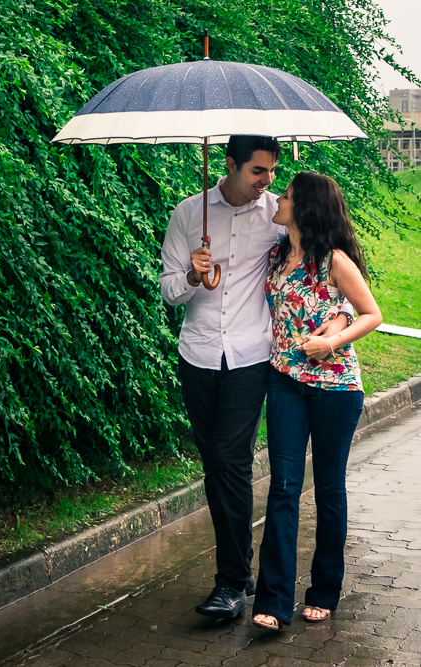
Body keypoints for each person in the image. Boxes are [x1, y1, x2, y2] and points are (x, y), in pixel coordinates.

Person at [159, 136, 350, 620]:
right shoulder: (188, 215)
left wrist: (343, 318)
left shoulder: (278, 215)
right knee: (214, 464)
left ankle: (231, 581)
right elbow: (168, 292)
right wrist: (190, 277)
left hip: (250, 355)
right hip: (198, 353)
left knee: (231, 458)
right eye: (257, 171)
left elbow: (327, 261)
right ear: (230, 165)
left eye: (271, 172)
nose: (267, 182)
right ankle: (239, 572)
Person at [250, 172, 381, 630]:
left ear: (304, 208)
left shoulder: (334, 261)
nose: (277, 200)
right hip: (285, 381)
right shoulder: (276, 255)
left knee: (327, 489)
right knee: (283, 486)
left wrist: (335, 338)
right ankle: (272, 601)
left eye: (284, 196)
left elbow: (373, 313)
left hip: (336, 388)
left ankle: (324, 589)